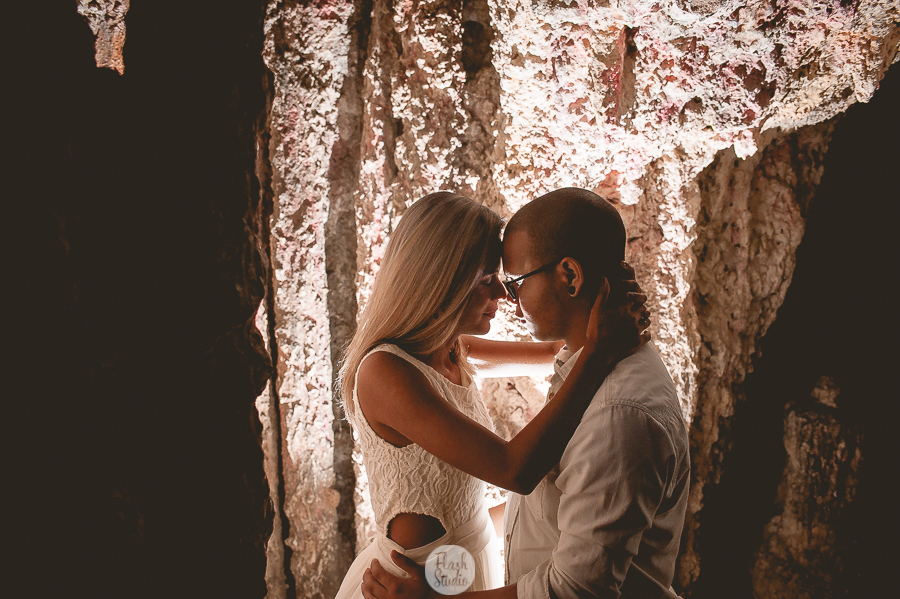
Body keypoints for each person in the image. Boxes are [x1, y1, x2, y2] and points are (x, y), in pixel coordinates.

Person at [361, 188, 690, 599]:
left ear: (570, 276)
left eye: (512, 282)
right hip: (412, 580)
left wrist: (611, 315)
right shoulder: (387, 371)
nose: (504, 297)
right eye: (490, 281)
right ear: (440, 282)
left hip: (459, 573)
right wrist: (599, 348)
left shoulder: (452, 349)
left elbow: (558, 349)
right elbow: (512, 469)